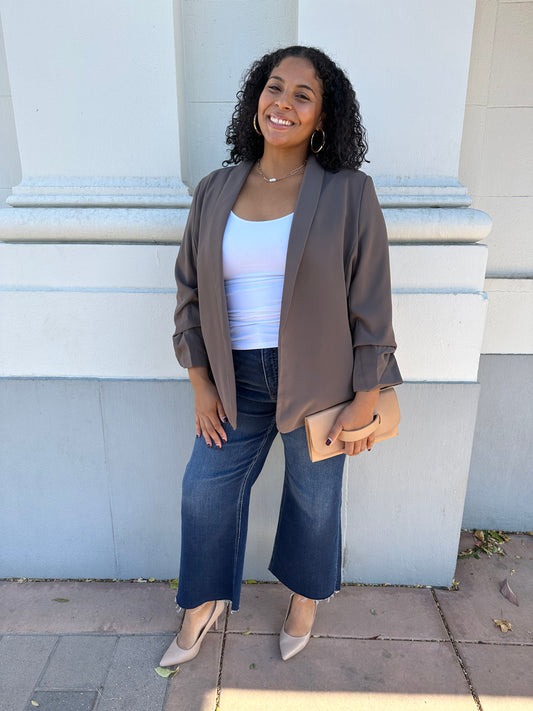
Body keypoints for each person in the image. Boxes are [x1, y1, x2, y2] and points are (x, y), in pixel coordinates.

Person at [160, 45, 402, 666]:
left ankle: (303, 598)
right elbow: (188, 288)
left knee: (313, 501)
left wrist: (368, 395)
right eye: (275, 88)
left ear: (322, 117)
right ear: (256, 99)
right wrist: (200, 383)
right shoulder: (215, 190)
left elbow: (370, 298)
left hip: (320, 381)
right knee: (202, 491)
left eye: (303, 95)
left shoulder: (349, 193)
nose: (284, 103)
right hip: (233, 379)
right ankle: (204, 600)